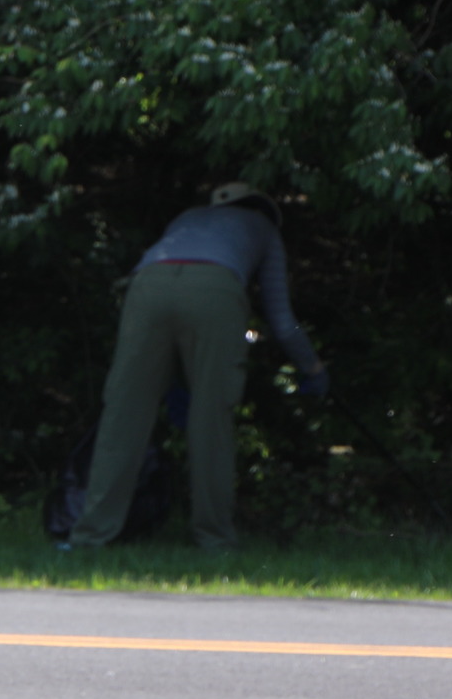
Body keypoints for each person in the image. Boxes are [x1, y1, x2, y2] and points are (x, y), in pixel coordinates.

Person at [66, 182, 328, 555]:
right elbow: (283, 322)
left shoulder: (187, 218)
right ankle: (215, 540)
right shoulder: (265, 229)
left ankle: (90, 536)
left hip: (149, 283)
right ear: (263, 209)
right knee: (211, 421)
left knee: (123, 415)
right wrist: (312, 367)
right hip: (216, 289)